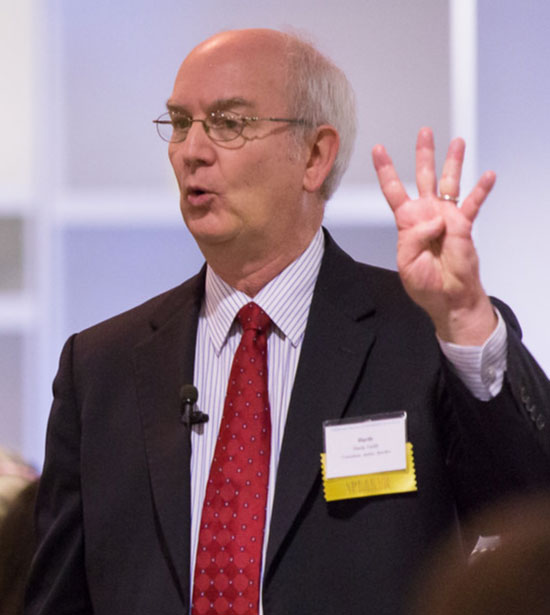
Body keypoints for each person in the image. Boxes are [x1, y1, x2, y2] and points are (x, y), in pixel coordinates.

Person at [25, 28, 550, 615]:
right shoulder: (100, 369)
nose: (191, 150)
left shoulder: (425, 335)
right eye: (179, 122)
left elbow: (532, 510)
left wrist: (465, 317)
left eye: (228, 122)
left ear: (315, 155)